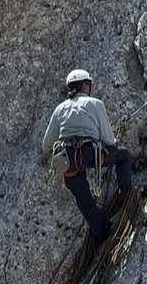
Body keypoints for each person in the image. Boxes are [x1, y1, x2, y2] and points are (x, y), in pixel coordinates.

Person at [39, 69, 133, 243]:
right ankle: (126, 198)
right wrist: (110, 146)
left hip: (66, 159)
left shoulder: (60, 109)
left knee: (81, 194)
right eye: (89, 84)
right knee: (124, 156)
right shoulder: (95, 103)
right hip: (90, 153)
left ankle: (100, 231)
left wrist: (46, 154)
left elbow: (47, 144)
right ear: (85, 85)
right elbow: (108, 139)